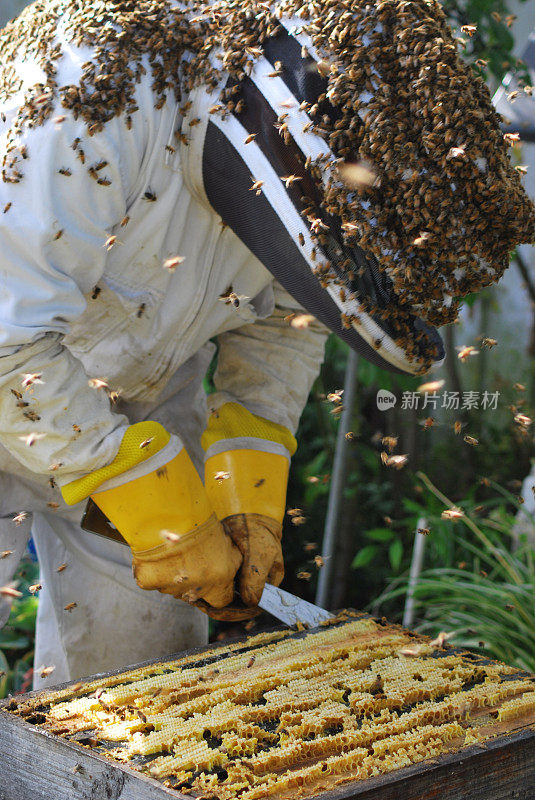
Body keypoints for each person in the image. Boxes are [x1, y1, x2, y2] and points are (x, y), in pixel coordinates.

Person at [0, 0, 532, 689]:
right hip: (16, 358)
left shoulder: (323, 164)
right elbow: (9, 335)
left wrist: (250, 446)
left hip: (142, 387)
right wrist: (121, 477)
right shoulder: (95, 88)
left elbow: (293, 307)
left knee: (139, 681)